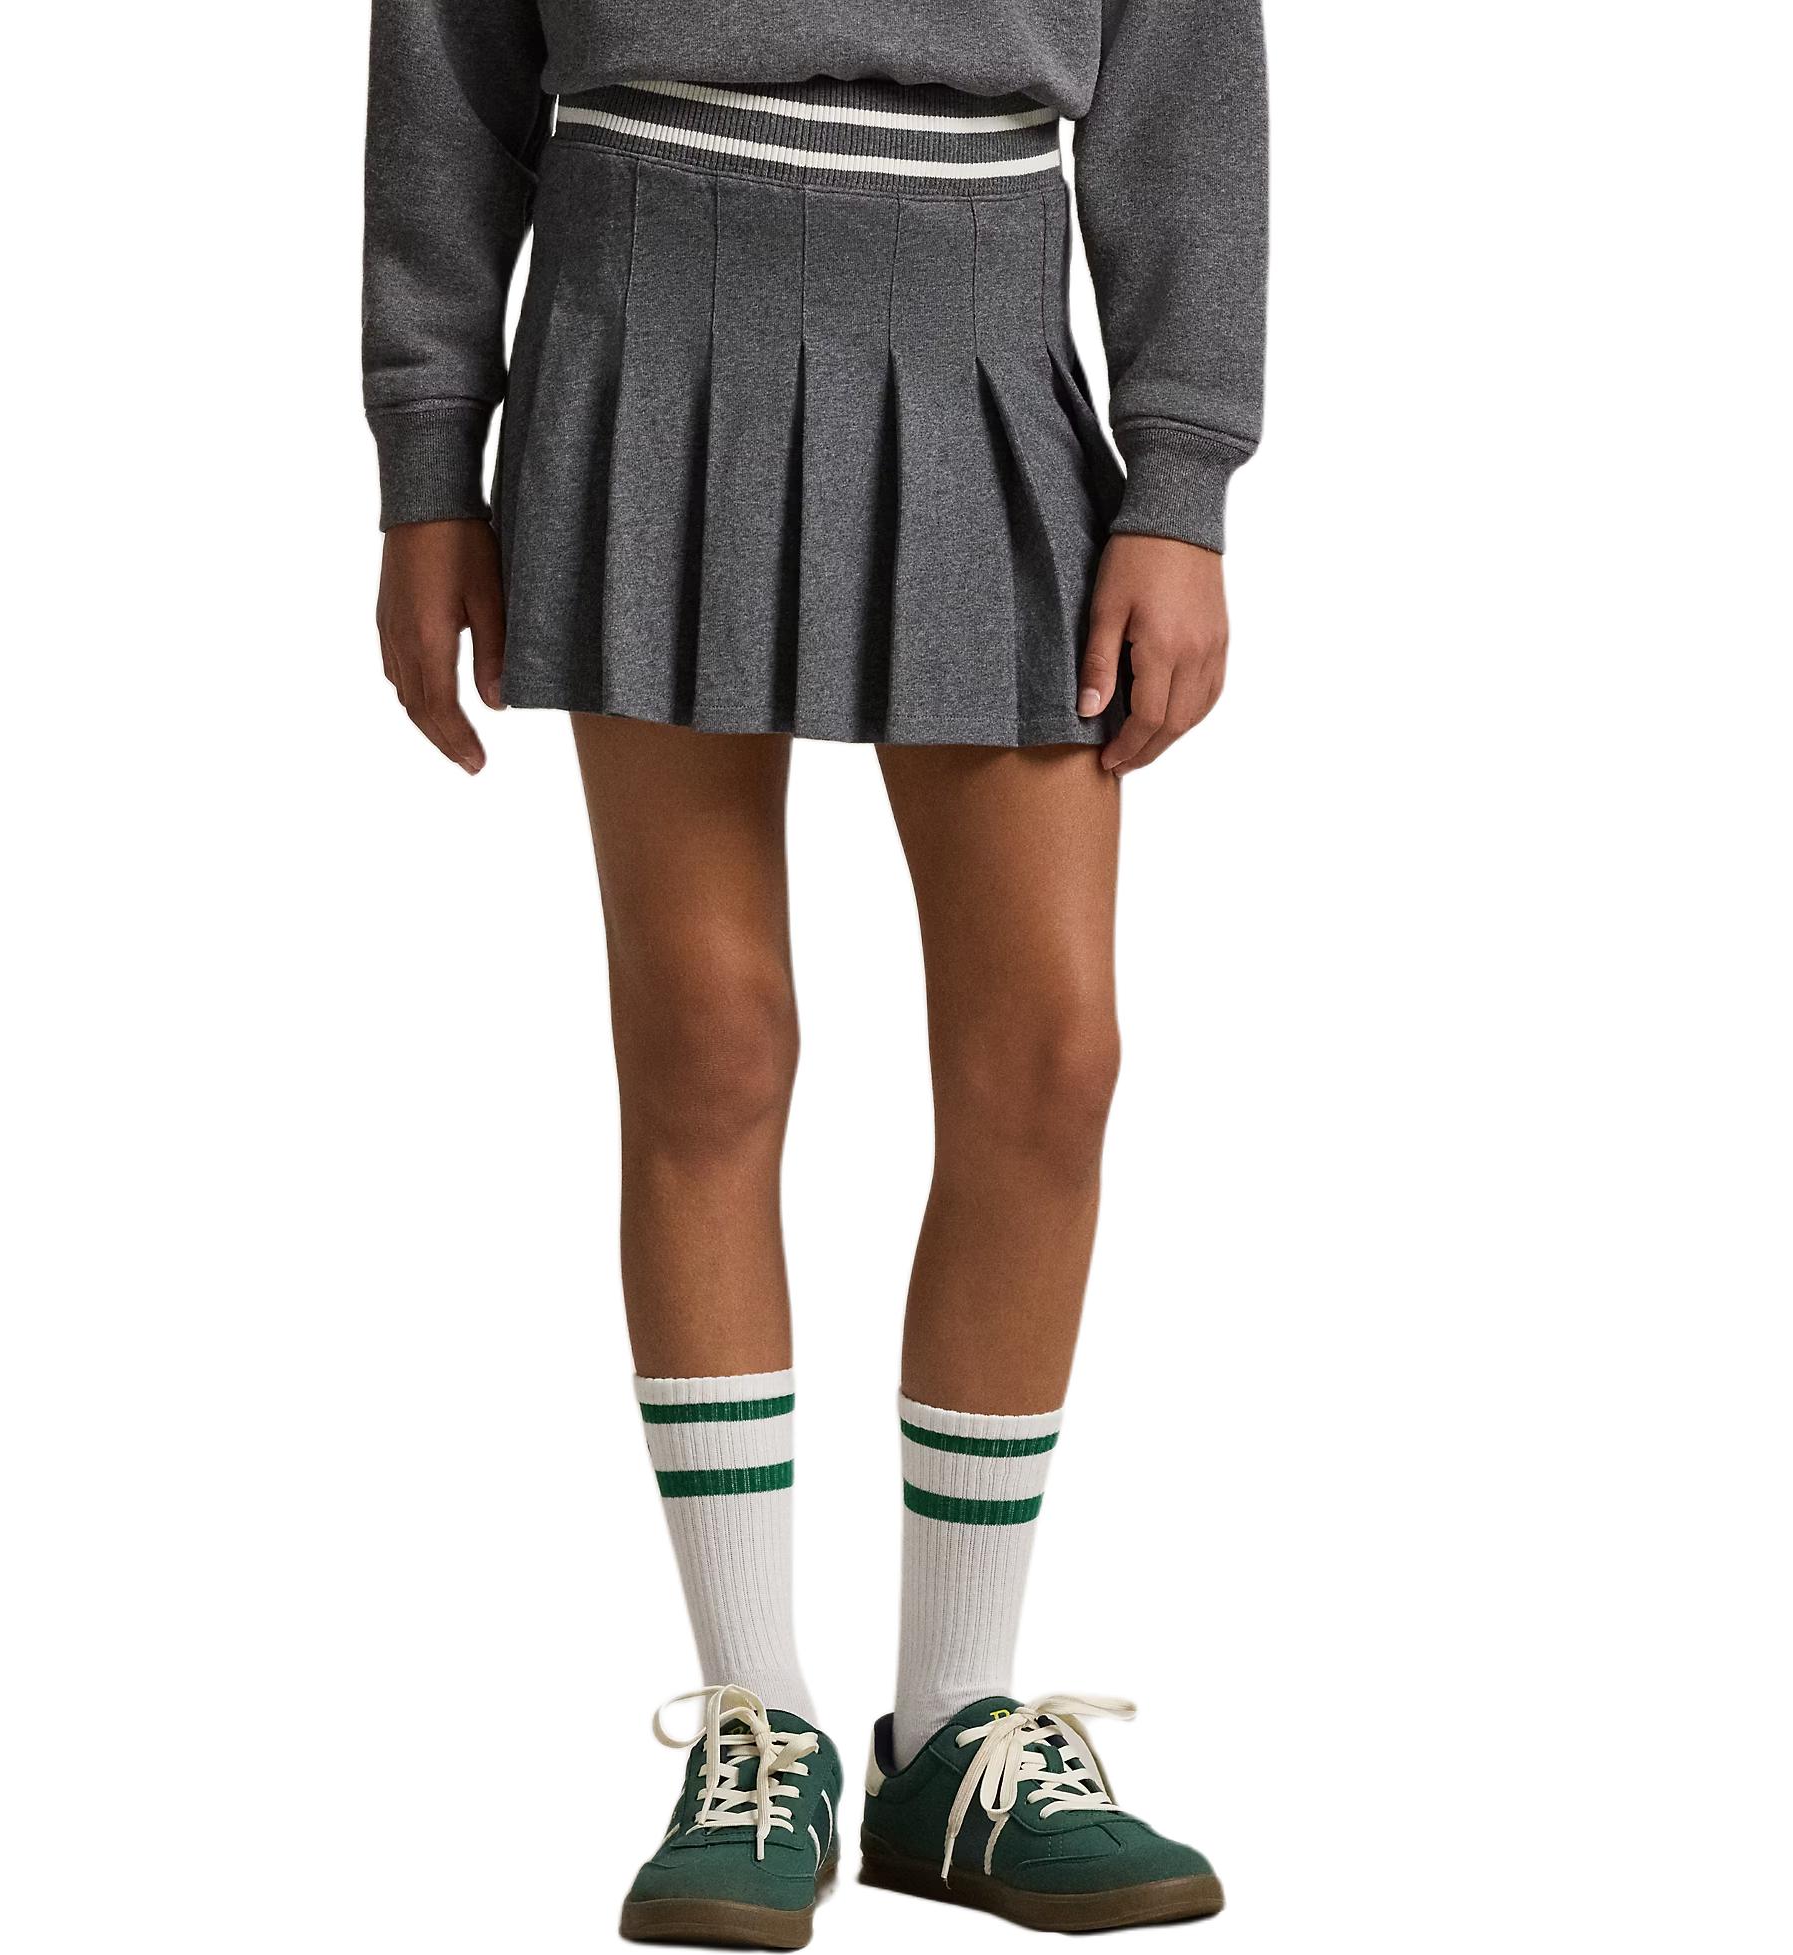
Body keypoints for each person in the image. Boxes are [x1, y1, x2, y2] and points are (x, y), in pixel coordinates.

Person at [363, 3, 1265, 1942]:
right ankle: (754, 1723)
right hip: (640, 316)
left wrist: (1182, 480)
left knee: (1052, 1058)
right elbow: (444, 54)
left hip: (983, 325)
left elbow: (1185, 66)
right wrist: (429, 454)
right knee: (707, 1037)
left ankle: (953, 1735)